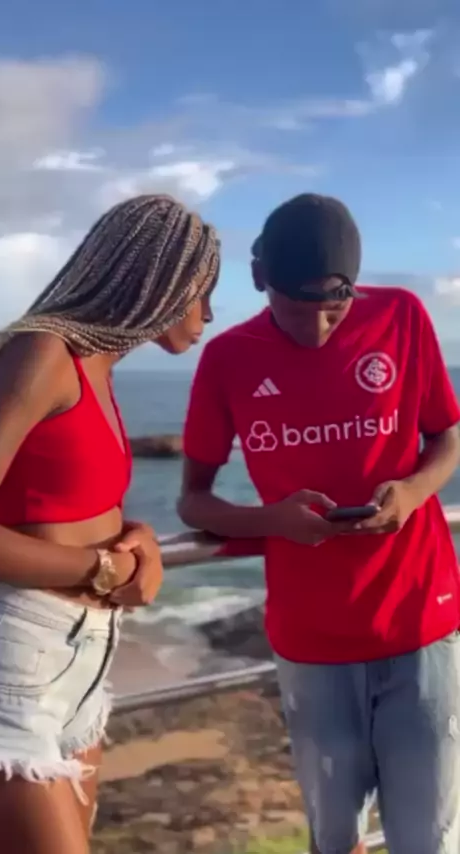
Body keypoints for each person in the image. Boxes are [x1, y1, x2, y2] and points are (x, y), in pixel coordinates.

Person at [178, 193, 460, 854]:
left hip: (420, 618)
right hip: (312, 639)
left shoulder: (402, 315)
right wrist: (272, 520)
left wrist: (412, 492)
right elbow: (194, 499)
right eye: (297, 310)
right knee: (334, 839)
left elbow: (446, 437)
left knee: (429, 839)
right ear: (259, 279)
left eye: (335, 308)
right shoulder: (228, 357)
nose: (318, 329)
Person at [0, 194, 219, 854]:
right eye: (202, 292)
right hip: (16, 661)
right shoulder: (42, 353)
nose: (208, 314)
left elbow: (61, 501)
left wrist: (138, 537)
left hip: (85, 666)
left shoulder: (97, 370)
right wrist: (104, 569)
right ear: (160, 279)